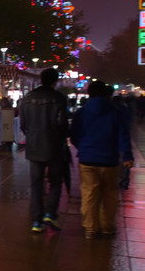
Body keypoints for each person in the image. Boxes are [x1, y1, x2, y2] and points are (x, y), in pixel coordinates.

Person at [70, 81, 134, 239]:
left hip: (87, 159)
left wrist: (83, 148)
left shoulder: (82, 112)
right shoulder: (116, 112)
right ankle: (107, 226)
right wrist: (127, 156)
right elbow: (123, 136)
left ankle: (91, 228)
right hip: (110, 159)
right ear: (106, 94)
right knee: (110, 194)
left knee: (89, 194)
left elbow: (74, 136)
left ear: (89, 93)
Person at [19, 68, 68, 233]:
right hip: (54, 147)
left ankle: (36, 221)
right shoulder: (59, 98)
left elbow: (23, 125)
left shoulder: (27, 98)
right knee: (55, 182)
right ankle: (50, 213)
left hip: (34, 147)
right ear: (56, 81)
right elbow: (62, 125)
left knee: (36, 185)